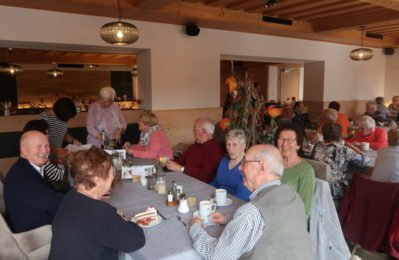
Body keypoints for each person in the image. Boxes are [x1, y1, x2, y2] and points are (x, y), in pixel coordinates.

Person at [189, 144, 312, 259]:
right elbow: (268, 224)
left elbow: (217, 256)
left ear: (261, 167)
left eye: (245, 162)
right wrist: (228, 218)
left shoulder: (251, 213)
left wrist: (195, 227)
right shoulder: (294, 197)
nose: (240, 168)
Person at [49, 147, 145, 260]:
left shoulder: (71, 196)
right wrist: (126, 221)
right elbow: (135, 242)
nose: (113, 177)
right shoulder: (99, 212)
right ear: (97, 180)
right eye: (111, 172)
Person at [3, 131, 65, 233]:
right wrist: (84, 195)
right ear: (24, 150)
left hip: (37, 219)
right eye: (39, 146)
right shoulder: (20, 177)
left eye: (47, 145)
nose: (45, 150)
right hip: (34, 233)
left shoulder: (25, 168)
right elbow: (54, 202)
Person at [312, 123, 369, 199]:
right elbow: (365, 161)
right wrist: (351, 146)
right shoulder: (343, 149)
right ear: (340, 135)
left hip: (318, 187)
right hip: (335, 190)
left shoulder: (317, 146)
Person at [274, 122, 315, 217]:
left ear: (298, 145)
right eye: (281, 139)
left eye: (289, 140)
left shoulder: (306, 171)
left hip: (288, 221)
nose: (284, 144)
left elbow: (305, 211)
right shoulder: (272, 163)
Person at [166, 118, 223, 183]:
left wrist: (181, 169)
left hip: (200, 184)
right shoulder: (194, 146)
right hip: (185, 178)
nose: (194, 132)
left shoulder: (214, 150)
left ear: (205, 131)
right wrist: (167, 162)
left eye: (195, 129)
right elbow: (181, 161)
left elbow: (205, 176)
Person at [23, 119, 66, 187]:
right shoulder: (39, 154)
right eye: (47, 132)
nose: (49, 135)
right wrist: (61, 160)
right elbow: (57, 176)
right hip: (40, 189)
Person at [211, 129, 251, 201]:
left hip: (235, 203)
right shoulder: (224, 161)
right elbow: (215, 182)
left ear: (243, 146)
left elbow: (241, 196)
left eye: (234, 145)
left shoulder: (247, 165)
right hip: (218, 199)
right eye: (228, 144)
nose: (230, 149)